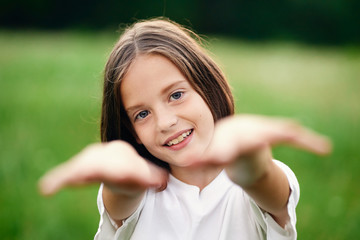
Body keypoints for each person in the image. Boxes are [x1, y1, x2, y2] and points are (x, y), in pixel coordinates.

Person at [39, 18, 331, 240]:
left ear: (207, 86)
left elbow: (260, 178)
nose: (165, 122)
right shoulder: (136, 195)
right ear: (132, 133)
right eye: (142, 114)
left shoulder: (256, 187)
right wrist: (119, 168)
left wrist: (248, 158)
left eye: (176, 95)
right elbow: (122, 191)